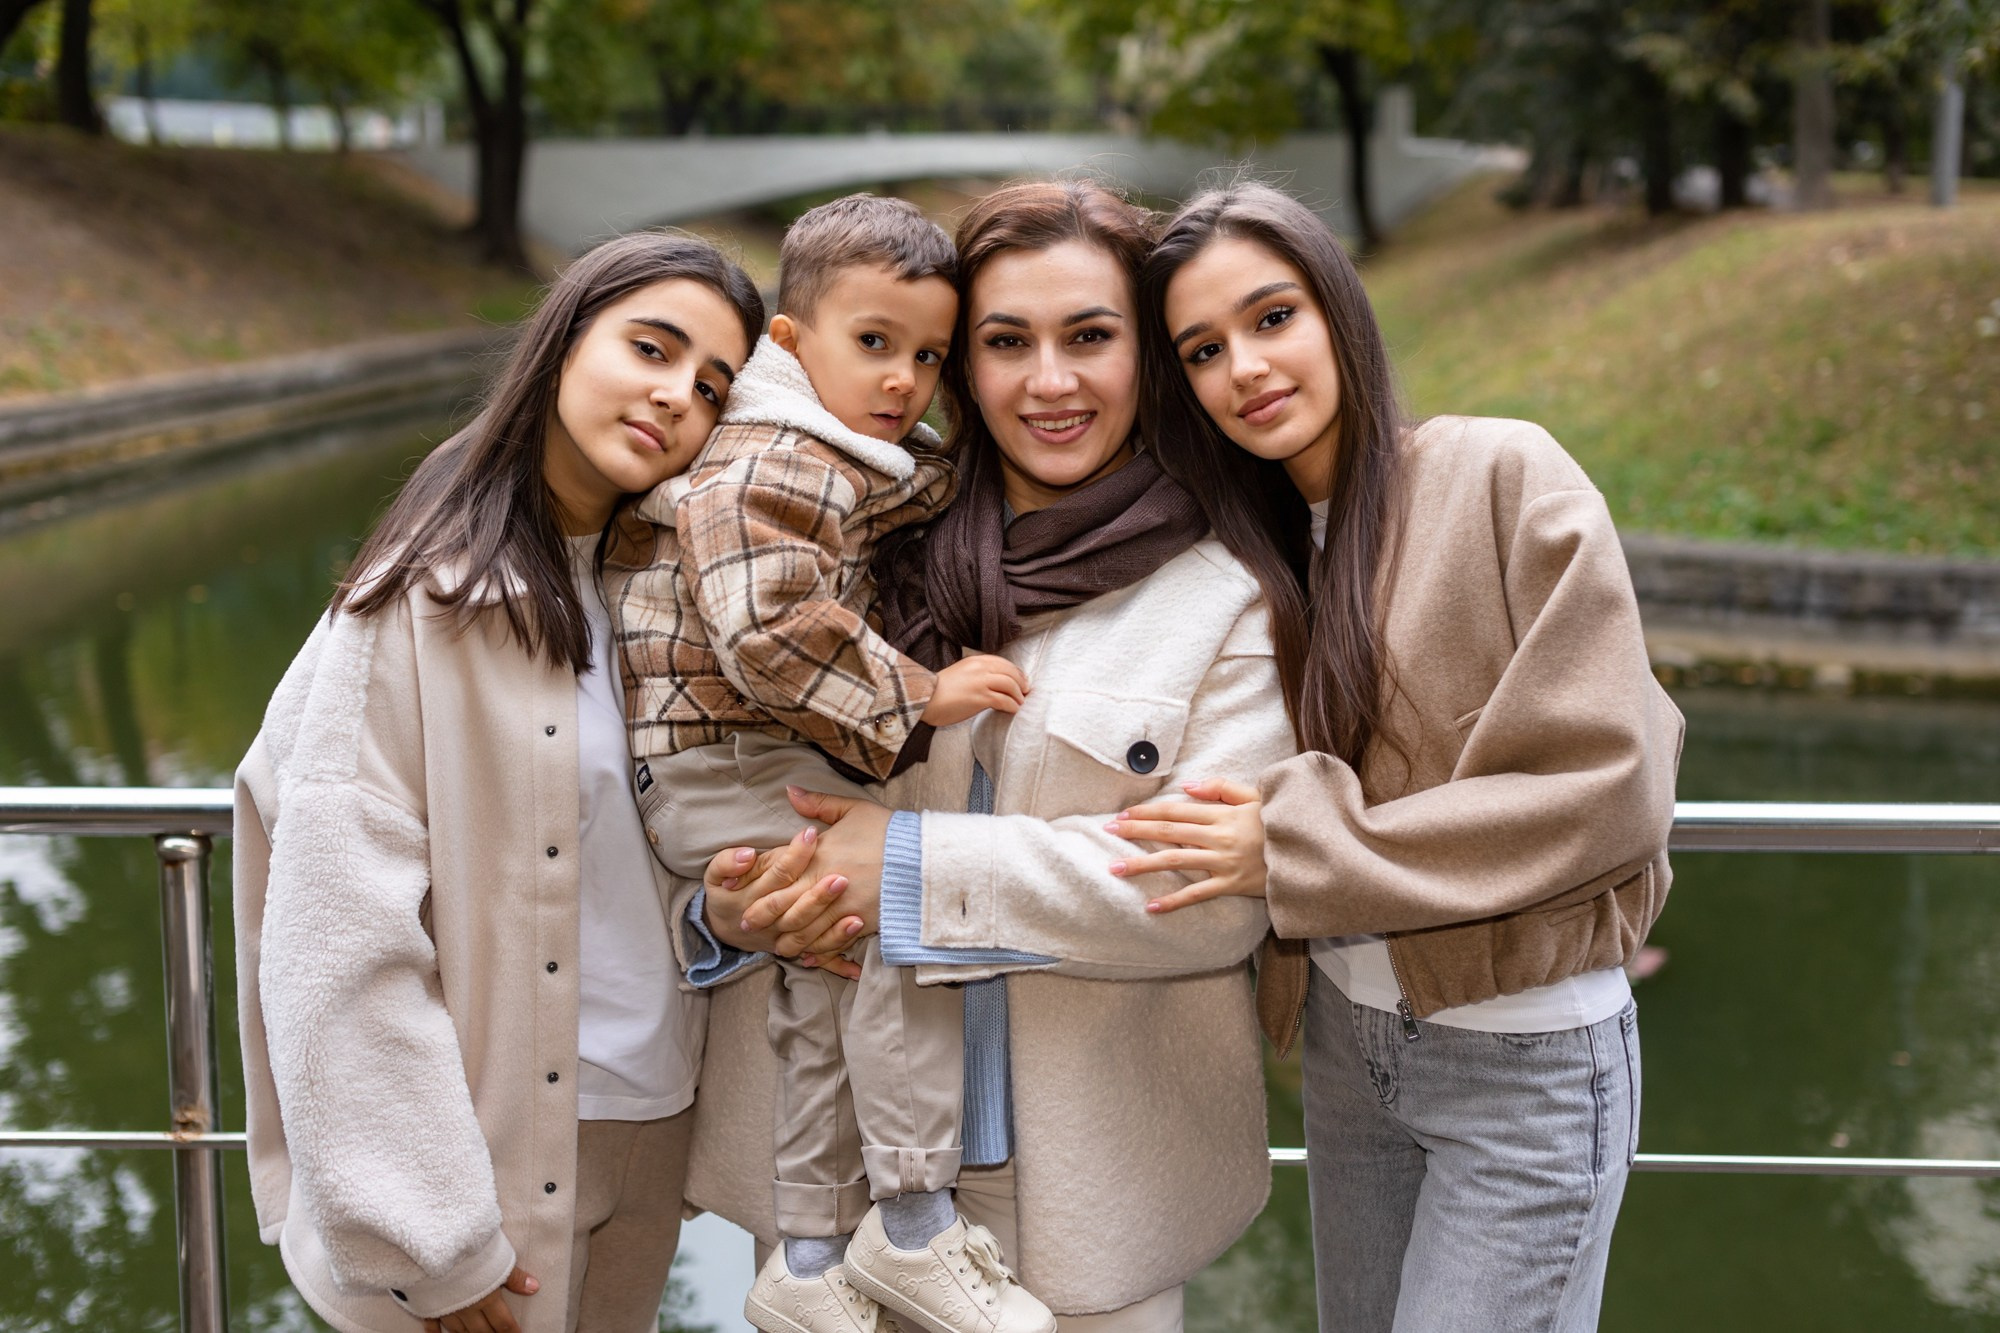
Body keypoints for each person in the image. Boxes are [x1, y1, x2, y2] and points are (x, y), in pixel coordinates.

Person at [675, 179, 1300, 1333]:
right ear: (960, 364)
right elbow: (699, 770)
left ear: (1148, 356)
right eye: (1005, 342)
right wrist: (727, 906)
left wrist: (907, 870)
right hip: (827, 1221)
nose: (1047, 382)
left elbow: (1209, 895)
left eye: (1089, 337)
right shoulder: (840, 545)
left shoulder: (1223, 598)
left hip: (1095, 1212)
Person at [1125, 181, 1684, 1332]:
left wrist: (1293, 847)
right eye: (1202, 349)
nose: (1244, 367)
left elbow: (1610, 784)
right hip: (1348, 1049)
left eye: (1271, 316)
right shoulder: (1249, 557)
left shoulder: (1499, 472)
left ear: (1337, 308)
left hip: (1523, 1056)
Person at [232, 231, 763, 1333]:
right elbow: (339, 936)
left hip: (646, 1130)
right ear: (563, 344)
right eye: (652, 348)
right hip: (479, 1159)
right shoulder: (422, 602)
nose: (677, 395)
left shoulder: (675, 602)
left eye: (714, 386)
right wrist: (430, 1236)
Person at [603, 193, 1053, 1333]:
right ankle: (913, 1219)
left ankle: (805, 1256)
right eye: (874, 342)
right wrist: (922, 693)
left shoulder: (822, 447)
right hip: (733, 757)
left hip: (726, 762)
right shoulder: (775, 460)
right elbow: (765, 629)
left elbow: (909, 482)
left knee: (823, 987)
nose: (904, 379)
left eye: (929, 356)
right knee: (898, 920)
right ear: (789, 341)